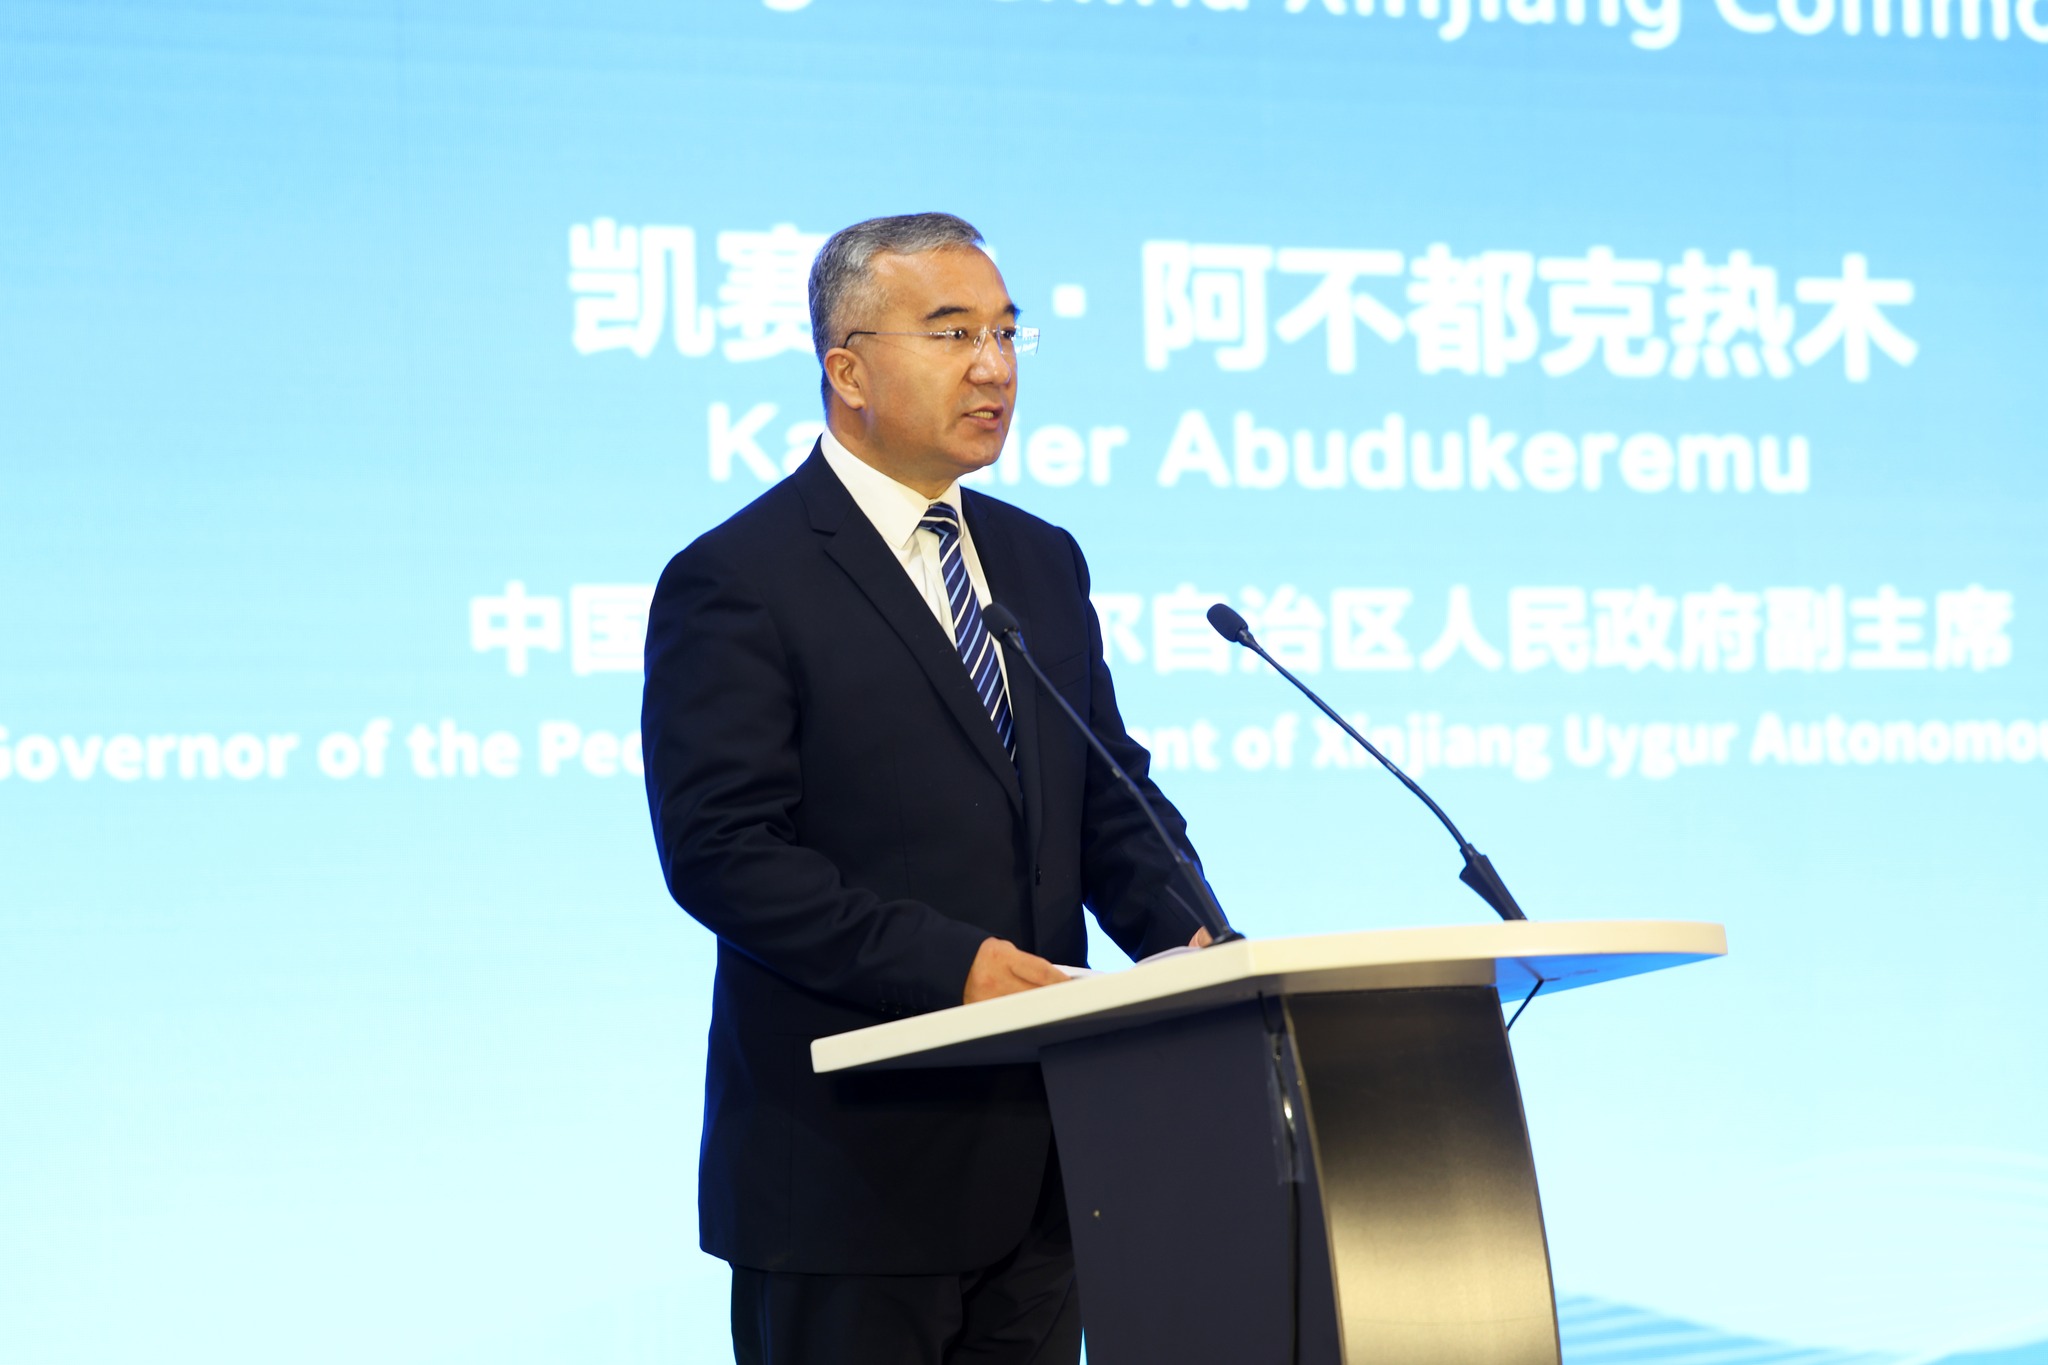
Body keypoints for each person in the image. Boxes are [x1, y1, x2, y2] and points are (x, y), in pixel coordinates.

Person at [641, 212, 1216, 1365]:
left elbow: (1105, 793)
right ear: (846, 371)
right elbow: (724, 854)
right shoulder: (738, 578)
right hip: (849, 1176)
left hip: (1045, 1171)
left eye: (1005, 333)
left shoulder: (1039, 559)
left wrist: (1192, 940)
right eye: (952, 333)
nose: (993, 367)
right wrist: (952, 966)